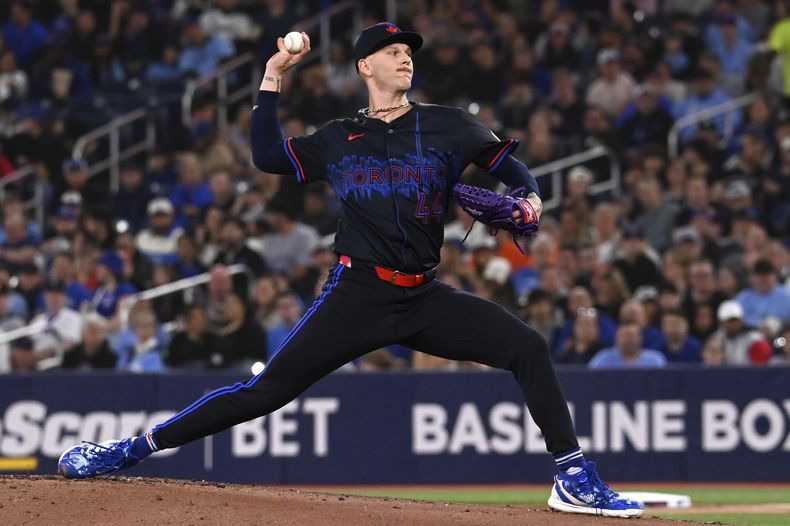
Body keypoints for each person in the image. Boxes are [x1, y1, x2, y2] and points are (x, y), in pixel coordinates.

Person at [58, 24, 642, 518]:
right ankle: (129, 449)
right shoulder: (339, 138)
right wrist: (273, 76)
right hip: (358, 292)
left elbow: (518, 173)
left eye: (409, 50)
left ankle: (573, 476)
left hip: (423, 296)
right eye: (392, 51)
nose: (405, 55)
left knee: (527, 346)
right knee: (264, 393)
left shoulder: (450, 125)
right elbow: (266, 156)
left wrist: (530, 203)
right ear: (365, 65)